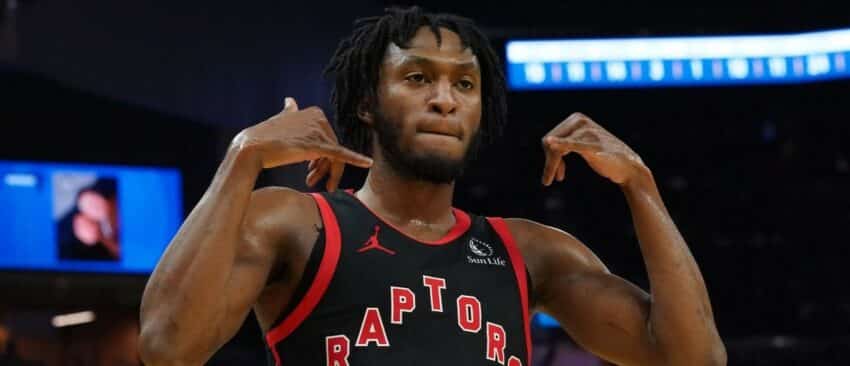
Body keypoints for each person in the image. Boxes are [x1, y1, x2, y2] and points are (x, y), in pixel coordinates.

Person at [139, 6, 725, 366]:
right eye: (418, 78)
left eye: (465, 85)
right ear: (367, 103)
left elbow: (692, 358)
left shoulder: (528, 252)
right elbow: (167, 346)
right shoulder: (297, 224)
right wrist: (242, 158)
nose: (445, 99)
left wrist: (641, 187)